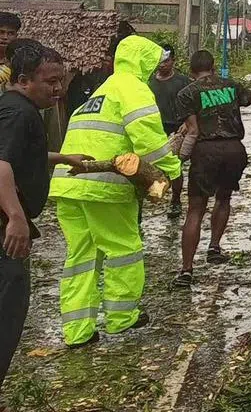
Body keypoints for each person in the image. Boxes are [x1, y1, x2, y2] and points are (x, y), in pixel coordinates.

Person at [50, 34, 181, 346]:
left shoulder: (100, 92)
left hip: (69, 184)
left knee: (81, 256)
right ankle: (122, 318)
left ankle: (77, 332)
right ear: (144, 62)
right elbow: (148, 140)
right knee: (124, 250)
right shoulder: (132, 88)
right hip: (104, 188)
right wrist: (173, 169)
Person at [0, 40, 90, 395]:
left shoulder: (16, 108)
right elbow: (1, 165)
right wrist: (16, 217)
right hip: (5, 227)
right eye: (50, 82)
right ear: (23, 80)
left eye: (60, 81)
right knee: (8, 309)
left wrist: (64, 158)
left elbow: (23, 155)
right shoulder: (18, 113)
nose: (59, 89)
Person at [173, 50, 251, 287]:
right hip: (234, 150)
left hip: (206, 152)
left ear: (191, 72)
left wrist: (177, 160)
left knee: (195, 209)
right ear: (213, 67)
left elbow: (192, 131)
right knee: (223, 198)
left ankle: (186, 270)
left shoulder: (187, 93)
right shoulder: (231, 86)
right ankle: (214, 248)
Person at [148, 45, 191, 218]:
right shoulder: (149, 82)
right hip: (155, 129)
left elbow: (194, 103)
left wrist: (187, 123)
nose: (162, 65)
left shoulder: (183, 82)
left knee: (174, 167)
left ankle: (175, 200)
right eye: (160, 61)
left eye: (166, 61)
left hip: (177, 129)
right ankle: (153, 195)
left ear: (173, 61)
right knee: (152, 166)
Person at [0, 12, 21, 89]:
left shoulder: (21, 61)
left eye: (10, 33)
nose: (5, 37)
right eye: (1, 32)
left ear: (16, 36)